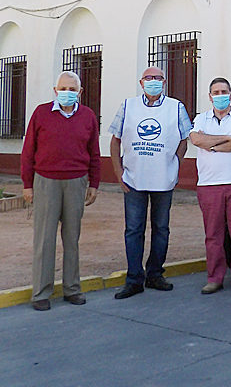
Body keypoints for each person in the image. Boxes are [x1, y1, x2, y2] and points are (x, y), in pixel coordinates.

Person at [109, 66, 192, 299]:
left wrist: (174, 166)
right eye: (148, 78)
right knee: (133, 230)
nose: (153, 81)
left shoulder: (176, 107)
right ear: (141, 82)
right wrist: (118, 172)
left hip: (163, 180)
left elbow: (185, 139)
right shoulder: (128, 106)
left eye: (157, 78)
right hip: (134, 179)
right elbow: (115, 140)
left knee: (161, 229)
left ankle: (155, 274)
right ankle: (134, 279)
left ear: (164, 81)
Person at [20, 71, 100, 311]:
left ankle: (72, 289)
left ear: (80, 92)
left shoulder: (87, 116)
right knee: (44, 239)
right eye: (63, 88)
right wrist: (27, 184)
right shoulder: (41, 113)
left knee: (72, 239)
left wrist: (94, 183)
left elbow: (94, 152)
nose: (67, 93)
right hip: (46, 181)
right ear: (55, 91)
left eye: (72, 89)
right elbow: (28, 151)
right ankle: (41, 292)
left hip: (76, 182)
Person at [189, 77, 231, 294]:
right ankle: (214, 278)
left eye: (224, 91)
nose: (220, 96)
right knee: (213, 235)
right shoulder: (201, 119)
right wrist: (227, 139)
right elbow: (197, 140)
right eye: (216, 92)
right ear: (209, 97)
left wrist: (214, 146)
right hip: (209, 185)